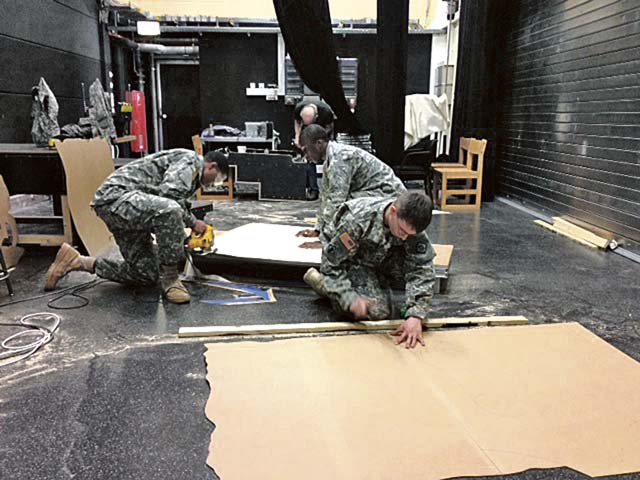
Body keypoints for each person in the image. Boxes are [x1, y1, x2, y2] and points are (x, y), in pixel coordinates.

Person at [44, 149, 229, 304]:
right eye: (218, 179)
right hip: (117, 198)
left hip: (129, 207)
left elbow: (169, 203)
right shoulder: (190, 160)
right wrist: (192, 223)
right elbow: (169, 195)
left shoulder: (192, 178)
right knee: (170, 210)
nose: (213, 184)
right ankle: (171, 278)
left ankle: (79, 262)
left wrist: (183, 238)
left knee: (146, 274)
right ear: (211, 166)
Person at [304, 191, 436, 349]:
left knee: (412, 272)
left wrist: (416, 314)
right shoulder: (356, 221)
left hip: (381, 258)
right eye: (402, 231)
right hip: (353, 261)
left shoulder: (409, 223)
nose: (404, 238)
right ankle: (323, 284)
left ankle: (372, 283)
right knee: (377, 312)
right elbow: (331, 264)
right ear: (393, 211)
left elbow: (422, 268)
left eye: (410, 234)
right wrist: (348, 297)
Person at [297, 124, 406, 246]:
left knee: (349, 206)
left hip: (391, 197)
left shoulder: (341, 158)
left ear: (319, 143)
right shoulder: (330, 159)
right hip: (377, 194)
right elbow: (327, 197)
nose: (305, 156)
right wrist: (318, 230)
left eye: (306, 150)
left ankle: (351, 242)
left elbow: (337, 204)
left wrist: (326, 241)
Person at [294, 99, 335, 201]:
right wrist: (298, 136)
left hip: (323, 134)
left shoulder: (326, 111)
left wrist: (319, 139)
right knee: (309, 160)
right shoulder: (299, 108)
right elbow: (297, 122)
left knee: (330, 161)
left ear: (316, 116)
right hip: (308, 134)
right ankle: (313, 190)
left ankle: (331, 190)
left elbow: (330, 127)